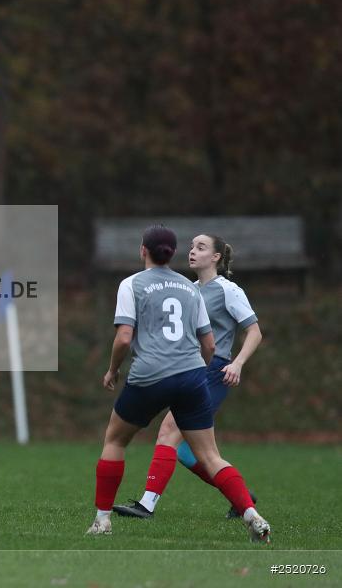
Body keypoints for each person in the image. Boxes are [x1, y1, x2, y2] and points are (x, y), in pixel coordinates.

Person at [86, 225, 270, 543]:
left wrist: (113, 369)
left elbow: (124, 337)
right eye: (190, 246)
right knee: (207, 455)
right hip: (193, 375)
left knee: (115, 441)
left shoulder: (133, 284)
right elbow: (208, 344)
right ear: (172, 253)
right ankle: (251, 514)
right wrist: (194, 368)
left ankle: (104, 520)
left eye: (200, 246)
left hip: (151, 374)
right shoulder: (189, 288)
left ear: (143, 250)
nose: (193, 250)